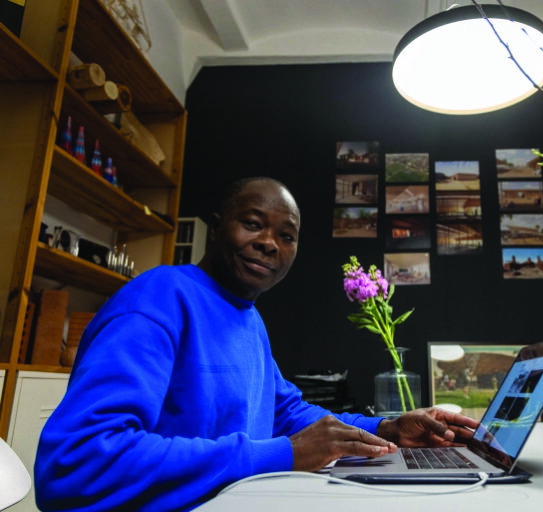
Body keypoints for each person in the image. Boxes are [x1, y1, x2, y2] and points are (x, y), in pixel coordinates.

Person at [34, 177, 479, 512]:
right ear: (215, 227)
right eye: (252, 224)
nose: (268, 244)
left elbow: (286, 412)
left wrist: (386, 429)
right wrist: (284, 453)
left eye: (286, 236)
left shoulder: (249, 319)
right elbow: (77, 461)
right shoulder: (158, 299)